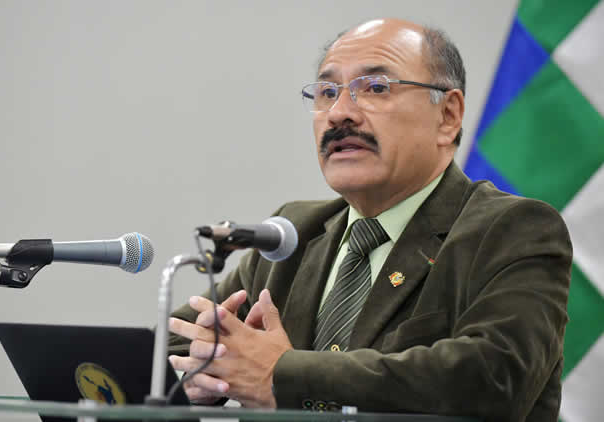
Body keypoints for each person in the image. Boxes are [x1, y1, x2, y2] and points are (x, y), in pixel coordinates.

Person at [167, 18, 571, 422]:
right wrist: (205, 371)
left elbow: (490, 377)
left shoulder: (513, 230)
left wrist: (281, 374)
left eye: (375, 88)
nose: (340, 113)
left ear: (448, 116)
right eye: (327, 92)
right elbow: (174, 346)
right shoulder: (293, 232)